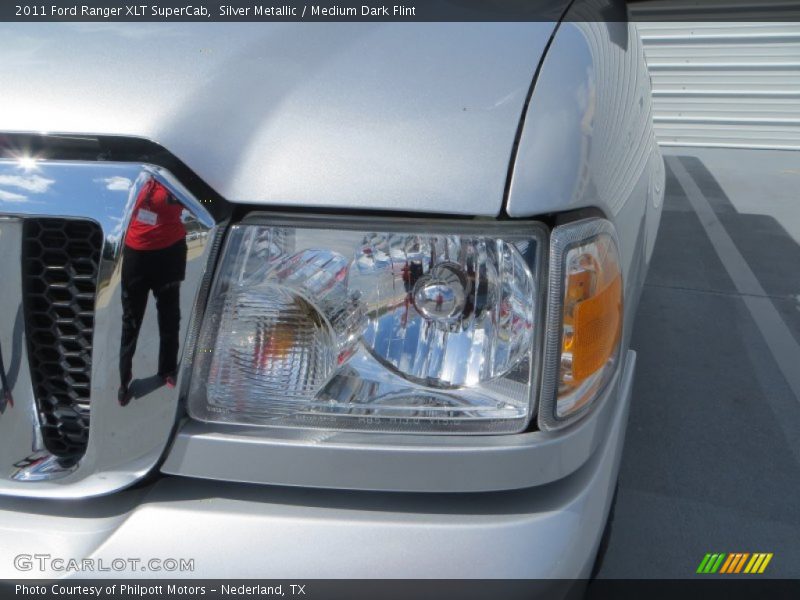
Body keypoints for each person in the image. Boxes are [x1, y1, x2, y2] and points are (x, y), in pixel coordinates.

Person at [118, 178, 187, 406]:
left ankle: (167, 370)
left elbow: (205, 201)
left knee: (169, 317)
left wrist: (185, 197)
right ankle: (123, 379)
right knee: (131, 320)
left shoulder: (177, 177)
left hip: (169, 254)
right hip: (137, 255)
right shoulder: (138, 176)